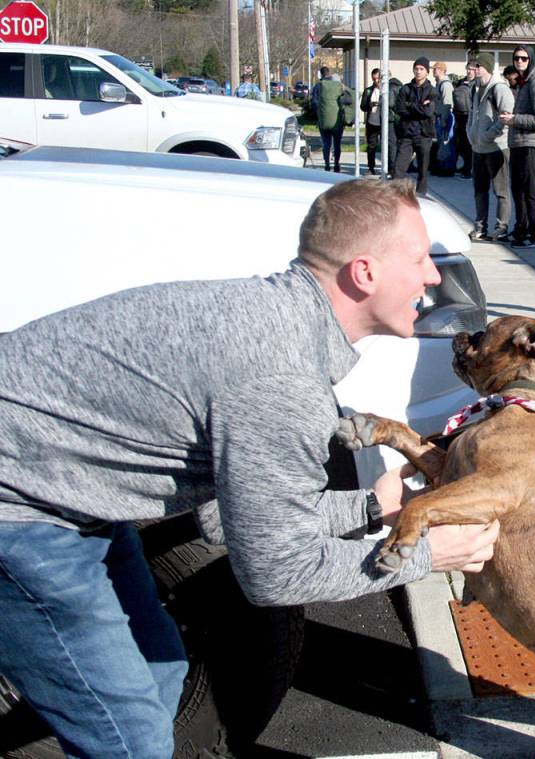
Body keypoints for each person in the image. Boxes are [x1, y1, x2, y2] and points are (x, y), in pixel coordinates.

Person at [0, 179, 500, 757]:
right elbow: (277, 575)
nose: (433, 278)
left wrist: (373, 506)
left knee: (159, 675)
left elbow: (225, 520)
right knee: (128, 738)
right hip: (21, 507)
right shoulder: (279, 377)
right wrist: (431, 555)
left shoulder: (272, 320)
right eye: (419, 260)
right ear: (364, 273)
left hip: (65, 492)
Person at [499, 45, 535, 249]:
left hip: (531, 144)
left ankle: (534, 234)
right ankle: (521, 229)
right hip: (519, 143)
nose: (519, 61)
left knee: (530, 191)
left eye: (524, 58)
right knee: (518, 189)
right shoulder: (523, 83)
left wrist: (515, 119)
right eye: (516, 58)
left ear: (531, 60)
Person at [467, 53, 514, 242]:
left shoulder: (499, 89)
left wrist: (489, 134)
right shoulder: (474, 89)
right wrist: (470, 132)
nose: (474, 69)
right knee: (479, 190)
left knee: (500, 190)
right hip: (477, 147)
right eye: (472, 66)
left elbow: (506, 117)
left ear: (486, 67)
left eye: (478, 65)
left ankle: (501, 227)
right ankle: (480, 226)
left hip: (496, 147)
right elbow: (472, 114)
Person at [395, 57, 439, 195]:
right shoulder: (405, 89)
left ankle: (421, 196)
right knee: (398, 168)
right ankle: (395, 196)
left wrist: (410, 106)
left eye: (421, 69)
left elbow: (428, 112)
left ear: (427, 72)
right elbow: (399, 108)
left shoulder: (432, 91)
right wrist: (419, 106)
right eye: (416, 69)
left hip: (424, 134)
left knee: (423, 170)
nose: (418, 72)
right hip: (407, 134)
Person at [313, 66, 354, 173]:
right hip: (337, 120)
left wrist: (320, 113)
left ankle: (327, 164)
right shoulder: (338, 86)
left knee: (326, 143)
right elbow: (348, 99)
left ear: (321, 74)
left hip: (323, 121)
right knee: (337, 144)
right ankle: (336, 164)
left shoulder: (318, 86)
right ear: (329, 74)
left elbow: (314, 102)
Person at [453, 59, 478, 179]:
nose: (470, 72)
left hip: (471, 116)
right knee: (461, 144)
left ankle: (469, 169)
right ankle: (465, 167)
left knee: (469, 145)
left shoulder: (478, 84)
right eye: (468, 69)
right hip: (459, 116)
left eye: (473, 69)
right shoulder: (460, 83)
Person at [360, 67, 384, 175]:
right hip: (372, 122)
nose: (376, 81)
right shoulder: (368, 90)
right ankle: (371, 167)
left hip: (383, 122)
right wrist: (369, 105)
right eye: (374, 79)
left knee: (385, 145)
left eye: (378, 79)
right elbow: (362, 107)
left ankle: (386, 167)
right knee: (371, 146)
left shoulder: (385, 91)